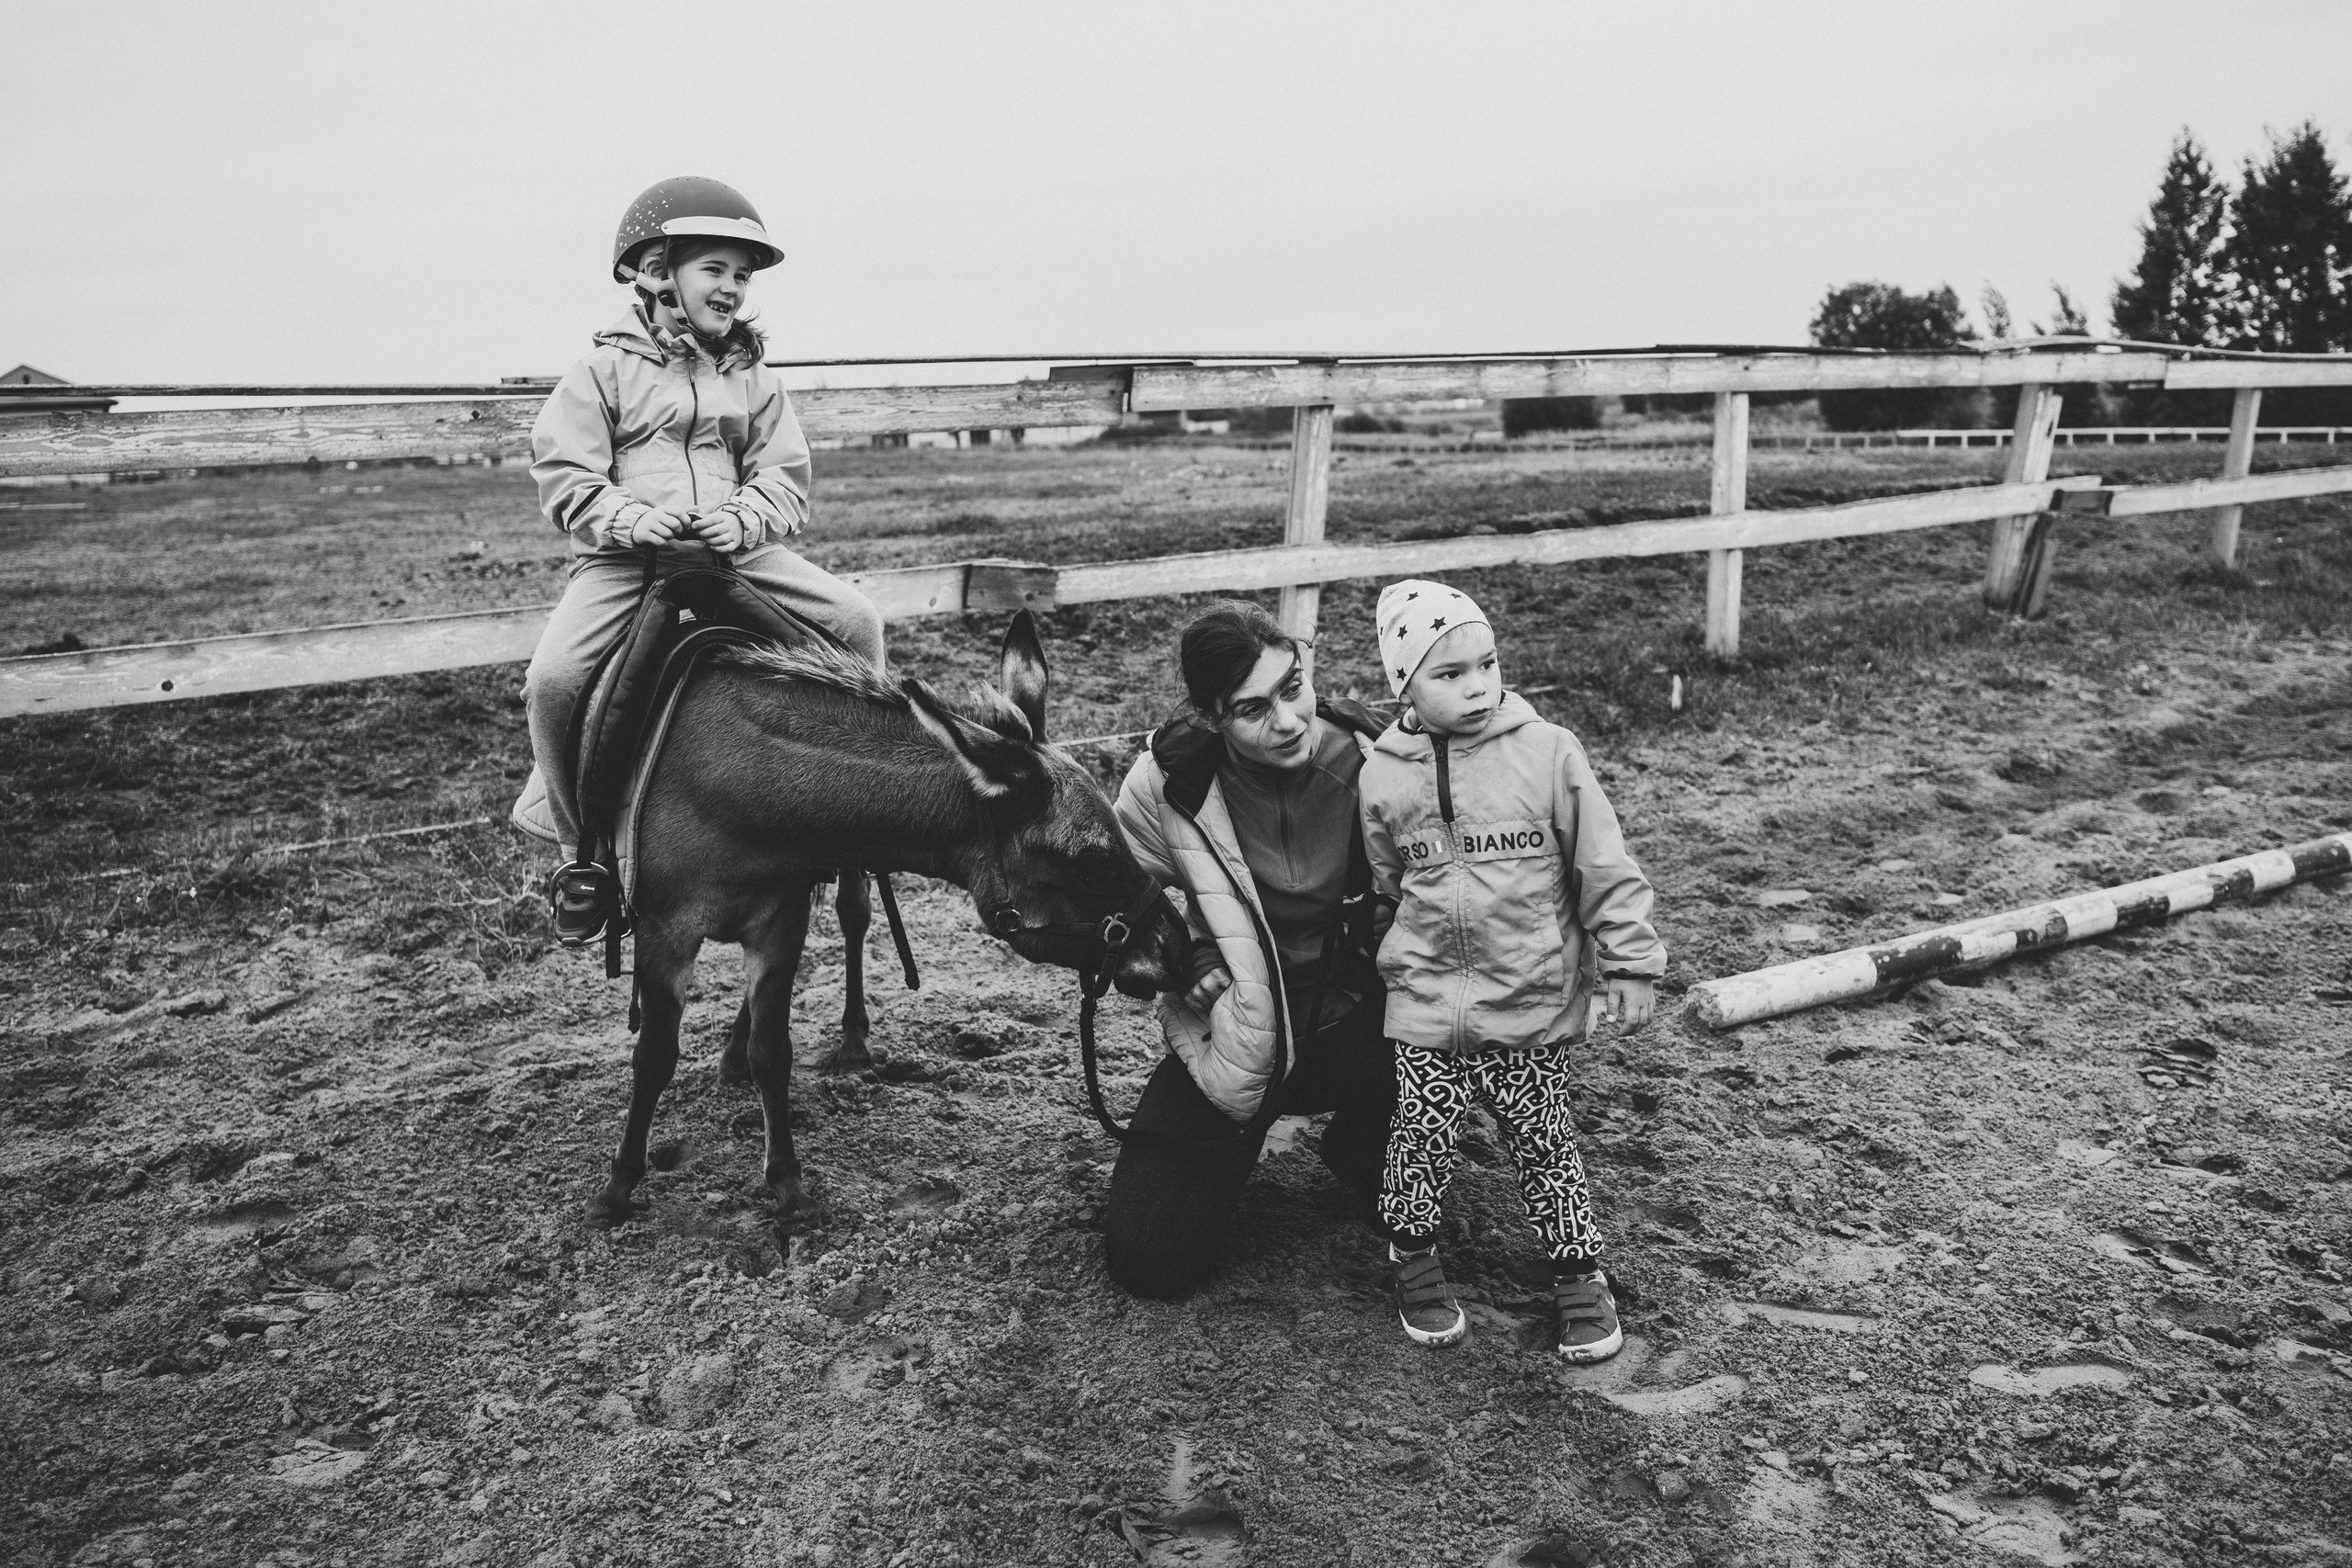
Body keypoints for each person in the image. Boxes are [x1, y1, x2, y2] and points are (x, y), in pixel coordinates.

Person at [508, 176, 885, 943]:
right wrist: (635, 520)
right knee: (552, 680)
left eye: (742, 276)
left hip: (732, 555)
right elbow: (566, 475)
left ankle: (858, 805)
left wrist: (744, 519)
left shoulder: (749, 374)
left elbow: (784, 472)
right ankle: (583, 853)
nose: (733, 288)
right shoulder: (600, 373)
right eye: (715, 269)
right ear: (656, 270)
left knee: (857, 622)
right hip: (625, 562)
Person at [1358, 579, 1666, 1362]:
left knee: (1543, 1141)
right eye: (1450, 673)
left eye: (1486, 663)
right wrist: (1391, 958)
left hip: (1527, 1000)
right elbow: (1388, 883)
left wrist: (1629, 959)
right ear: (1405, 685)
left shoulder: (1547, 751)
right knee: (1418, 1136)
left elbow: (1602, 862)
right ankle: (1413, 1256)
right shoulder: (1382, 774)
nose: (1477, 685)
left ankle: (1577, 1273)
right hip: (1427, 1000)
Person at [1104, 602, 1396, 1298]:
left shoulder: (1378, 758)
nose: (1289, 719)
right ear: (1211, 717)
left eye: (1292, 686)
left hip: (1364, 1021)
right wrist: (1188, 960)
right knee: (1151, 1261)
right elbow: (1117, 900)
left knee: (1410, 1201)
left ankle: (1360, 1142)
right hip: (1240, 1033)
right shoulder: (1164, 786)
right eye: (1253, 709)